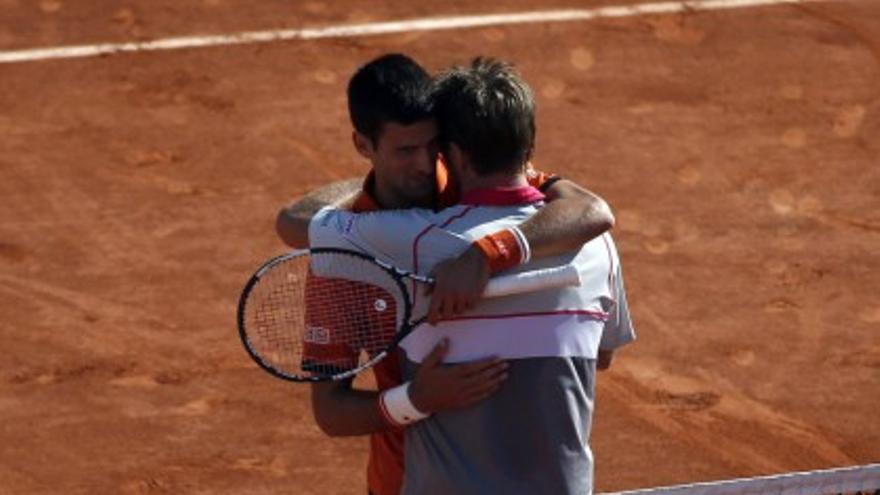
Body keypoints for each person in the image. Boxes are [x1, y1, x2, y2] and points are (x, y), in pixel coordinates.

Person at [276, 54, 619, 495]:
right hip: (404, 478)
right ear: (364, 145)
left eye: (433, 146)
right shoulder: (348, 252)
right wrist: (416, 399)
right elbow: (331, 409)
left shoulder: (469, 186)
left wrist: (485, 254)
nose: (425, 165)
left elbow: (586, 210)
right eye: (404, 151)